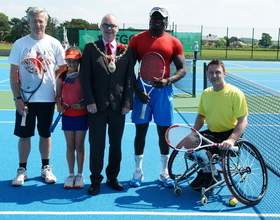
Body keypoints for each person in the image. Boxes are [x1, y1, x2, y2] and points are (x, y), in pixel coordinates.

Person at [128, 7, 186, 188]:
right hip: (142, 91)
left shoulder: (174, 42)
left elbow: (182, 69)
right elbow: (129, 67)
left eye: (161, 19)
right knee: (140, 132)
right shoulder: (137, 40)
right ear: (150, 19)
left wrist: (168, 80)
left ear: (166, 21)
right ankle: (138, 172)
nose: (157, 21)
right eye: (154, 18)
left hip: (163, 93)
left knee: (164, 133)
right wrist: (137, 90)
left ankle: (164, 172)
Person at [9, 7, 67, 186]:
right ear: (28, 22)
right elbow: (13, 75)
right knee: (24, 136)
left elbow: (63, 69)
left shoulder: (54, 43)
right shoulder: (20, 44)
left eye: (41, 21)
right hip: (25, 100)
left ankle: (45, 168)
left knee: (45, 134)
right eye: (34, 21)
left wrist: (57, 93)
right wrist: (17, 98)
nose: (37, 24)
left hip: (47, 99)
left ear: (46, 22)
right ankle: (22, 170)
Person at [80, 14, 135, 195]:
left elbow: (129, 79)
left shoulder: (125, 51)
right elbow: (85, 78)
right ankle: (95, 180)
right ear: (100, 27)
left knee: (116, 145)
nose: (109, 28)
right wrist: (90, 102)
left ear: (118, 29)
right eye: (105, 25)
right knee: (96, 145)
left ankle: (112, 177)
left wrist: (128, 103)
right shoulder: (90, 48)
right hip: (96, 107)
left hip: (119, 107)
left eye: (112, 25)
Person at [190, 59, 248, 190]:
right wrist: (193, 131)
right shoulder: (206, 93)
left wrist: (232, 140)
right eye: (211, 73)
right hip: (213, 133)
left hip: (229, 133)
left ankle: (213, 174)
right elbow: (201, 116)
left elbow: (243, 120)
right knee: (191, 144)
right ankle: (206, 172)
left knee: (202, 150)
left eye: (217, 72)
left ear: (224, 73)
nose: (214, 76)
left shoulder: (235, 93)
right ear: (206, 74)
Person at [55, 47, 88, 189]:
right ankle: (71, 174)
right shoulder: (61, 76)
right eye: (69, 60)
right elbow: (58, 95)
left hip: (81, 115)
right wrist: (59, 105)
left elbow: (88, 95)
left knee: (79, 146)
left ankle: (80, 175)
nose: (72, 63)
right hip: (67, 115)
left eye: (75, 60)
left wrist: (82, 104)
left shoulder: (84, 76)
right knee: (70, 146)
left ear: (79, 61)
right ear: (66, 61)